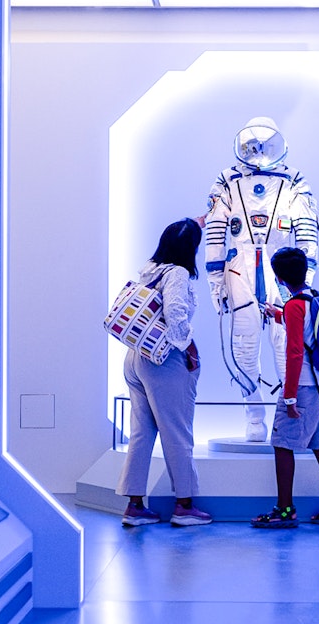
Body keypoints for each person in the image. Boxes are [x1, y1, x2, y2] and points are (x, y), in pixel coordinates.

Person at [204, 117, 319, 442]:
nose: (257, 151)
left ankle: (288, 411)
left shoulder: (293, 180)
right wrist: (216, 280)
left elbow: (307, 229)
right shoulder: (227, 181)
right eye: (252, 144)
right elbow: (215, 231)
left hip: (281, 269)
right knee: (243, 343)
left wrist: (304, 279)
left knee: (287, 344)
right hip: (240, 266)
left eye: (264, 144)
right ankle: (253, 412)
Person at [118, 217, 212, 527]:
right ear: (191, 249)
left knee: (142, 433)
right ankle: (184, 505)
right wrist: (188, 347)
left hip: (135, 357)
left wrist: (197, 221)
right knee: (177, 431)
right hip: (164, 361)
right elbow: (175, 312)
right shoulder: (179, 274)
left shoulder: (151, 269)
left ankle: (135, 505)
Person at [251, 247, 319, 528]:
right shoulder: (315, 299)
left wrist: (289, 397)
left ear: (279, 278)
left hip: (306, 389)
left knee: (282, 445)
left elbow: (295, 352)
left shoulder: (295, 307)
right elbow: (304, 327)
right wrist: (278, 314)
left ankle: (284, 510)